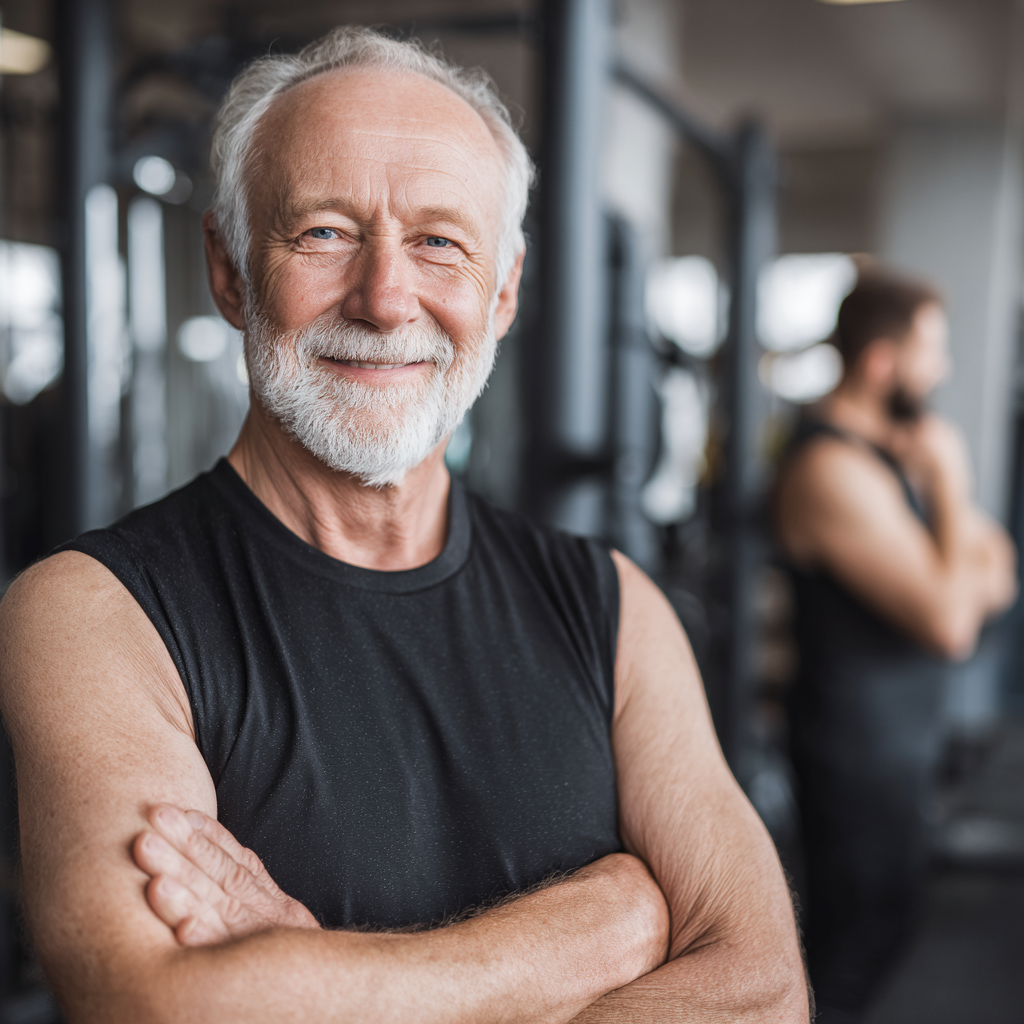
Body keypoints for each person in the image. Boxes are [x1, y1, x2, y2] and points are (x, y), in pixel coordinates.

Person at [0, 27, 808, 1024]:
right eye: (326, 232)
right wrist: (605, 925)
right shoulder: (96, 614)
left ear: (502, 289)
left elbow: (762, 994)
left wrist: (319, 981)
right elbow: (162, 1008)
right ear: (228, 267)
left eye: (438, 241)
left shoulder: (612, 608)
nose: (386, 300)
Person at [774, 268, 1017, 1023]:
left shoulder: (886, 457)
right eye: (931, 349)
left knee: (890, 923)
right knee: (853, 944)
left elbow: (1000, 572)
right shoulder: (831, 468)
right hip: (855, 751)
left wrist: (953, 571)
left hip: (901, 743)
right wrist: (948, 483)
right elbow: (951, 624)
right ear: (883, 362)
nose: (940, 370)